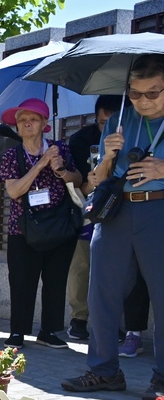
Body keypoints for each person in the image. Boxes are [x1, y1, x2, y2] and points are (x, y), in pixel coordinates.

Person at [63, 55, 164, 400]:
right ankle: (103, 370)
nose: (143, 101)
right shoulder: (119, 119)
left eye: (153, 93)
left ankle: (162, 379)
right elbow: (97, 180)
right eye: (135, 94)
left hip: (159, 209)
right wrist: (108, 156)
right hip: (117, 212)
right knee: (101, 293)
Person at [0, 98, 82, 349]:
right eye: (22, 120)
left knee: (55, 280)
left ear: (45, 123)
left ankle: (49, 331)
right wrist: (41, 163)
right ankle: (17, 331)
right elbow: (14, 191)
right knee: (21, 280)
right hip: (23, 228)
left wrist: (61, 170)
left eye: (33, 119)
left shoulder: (60, 149)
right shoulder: (12, 155)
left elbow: (78, 179)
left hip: (59, 225)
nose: (27, 123)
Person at [65, 95, 121, 340]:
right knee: (81, 265)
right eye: (102, 123)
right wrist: (90, 182)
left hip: (124, 207)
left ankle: (112, 322)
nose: (107, 128)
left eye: (113, 122)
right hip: (88, 207)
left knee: (116, 269)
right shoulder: (80, 139)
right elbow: (78, 183)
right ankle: (79, 318)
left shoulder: (134, 136)